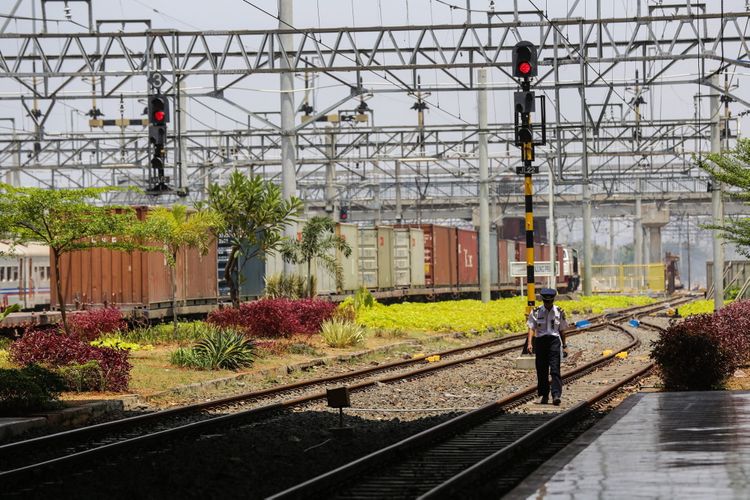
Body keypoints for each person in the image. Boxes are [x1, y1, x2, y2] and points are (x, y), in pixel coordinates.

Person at [526, 288, 570, 405]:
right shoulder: (536, 312)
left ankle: (556, 395)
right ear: (543, 300)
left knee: (555, 369)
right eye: (545, 302)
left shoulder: (559, 312)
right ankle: (544, 395)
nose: (547, 304)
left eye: (549, 302)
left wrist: (565, 345)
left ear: (553, 300)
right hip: (540, 342)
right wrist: (530, 343)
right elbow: (531, 328)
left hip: (554, 342)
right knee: (541, 370)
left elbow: (562, 330)